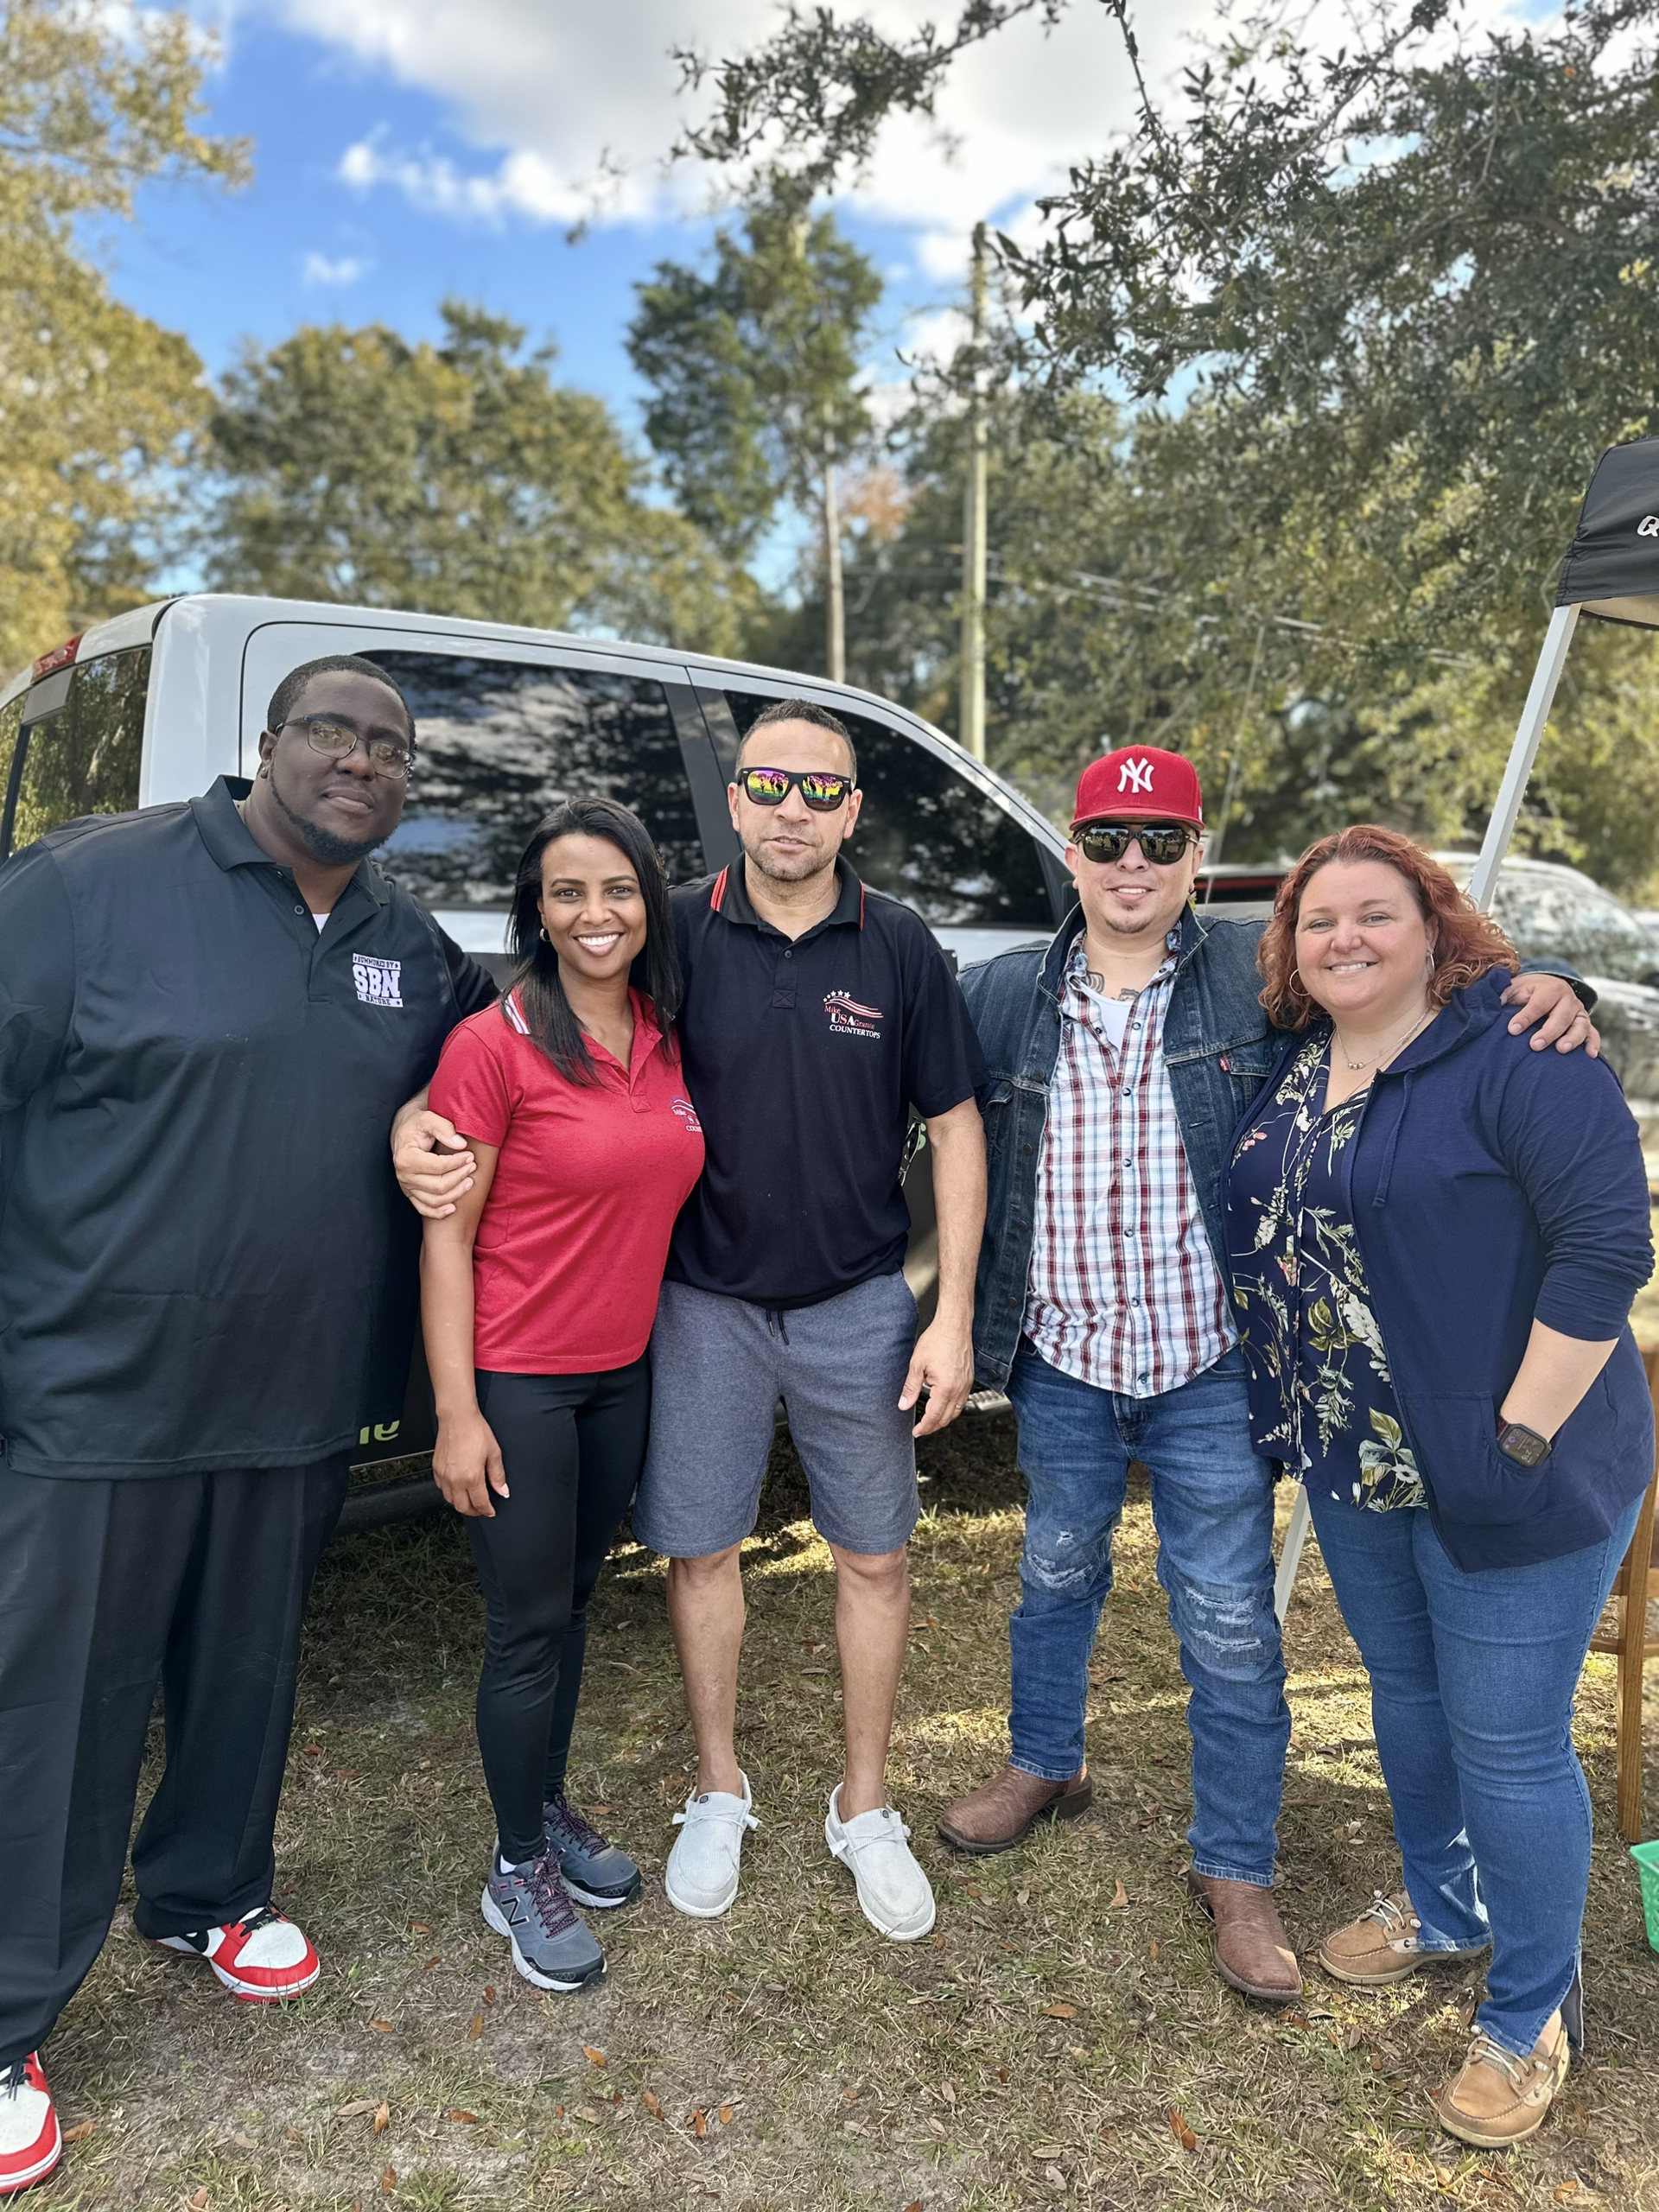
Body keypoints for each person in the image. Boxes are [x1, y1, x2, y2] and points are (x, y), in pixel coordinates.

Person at [939, 745, 1598, 2005]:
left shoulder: (1256, 980)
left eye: (1161, 839)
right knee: (1053, 1575)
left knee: (1232, 1625)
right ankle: (1044, 1761)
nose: (1132, 862)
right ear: (1069, 850)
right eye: (1106, 837)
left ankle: (1237, 1866)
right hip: (1065, 1356)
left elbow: (1420, 989)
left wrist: (1552, 985)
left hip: (1210, 1367)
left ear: (1198, 853)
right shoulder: (1005, 992)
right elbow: (909, 1077)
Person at [0, 657, 499, 2199]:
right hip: (91, 1387)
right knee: (57, 1706)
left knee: (243, 1666)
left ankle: (205, 1888)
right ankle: (8, 2017)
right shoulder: (86, 888)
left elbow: (503, 1064)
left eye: (390, 749)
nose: (360, 761)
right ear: (266, 746)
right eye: (331, 733)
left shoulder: (407, 947)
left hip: (290, 1398)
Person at [397, 699, 988, 1944]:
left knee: (875, 1555)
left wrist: (953, 1316)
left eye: (821, 791)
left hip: (859, 1304)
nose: (793, 811)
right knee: (701, 1549)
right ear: (735, 800)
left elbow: (960, 1125)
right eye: (771, 785)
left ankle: (863, 1807)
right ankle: (718, 1789)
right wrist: (415, 1123)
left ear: (853, 809)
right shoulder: (667, 934)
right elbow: (513, 1008)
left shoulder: (903, 945)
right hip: (701, 1306)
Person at [1226, 825, 1651, 2146]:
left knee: (1511, 1740)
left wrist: (1517, 1436)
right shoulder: (1297, 1068)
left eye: (1376, 915)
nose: (1344, 938)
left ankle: (1532, 2013)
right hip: (1355, 1453)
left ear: (1437, 930)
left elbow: (1605, 1245)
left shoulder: (1522, 1050)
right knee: (1405, 1695)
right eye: (1317, 921)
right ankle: (1443, 1900)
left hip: (1515, 1463)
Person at [421, 799, 704, 1995]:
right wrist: (457, 1411)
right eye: (567, 893)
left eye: (619, 891)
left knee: (579, 1602)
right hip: (519, 1382)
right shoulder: (493, 1046)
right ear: (534, 911)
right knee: (527, 1624)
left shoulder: (663, 1033)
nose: (597, 914)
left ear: (650, 903)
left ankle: (543, 1802)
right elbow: (447, 1240)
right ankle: (518, 1861)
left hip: (618, 1375)